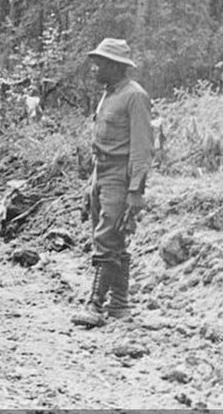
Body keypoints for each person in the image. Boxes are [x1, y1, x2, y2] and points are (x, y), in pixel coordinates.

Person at [72, 38, 154, 328]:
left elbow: (142, 149)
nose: (95, 68)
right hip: (102, 175)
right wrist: (91, 184)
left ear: (116, 67)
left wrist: (135, 190)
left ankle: (95, 305)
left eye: (101, 63)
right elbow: (101, 145)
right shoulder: (108, 95)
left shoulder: (135, 96)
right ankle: (119, 305)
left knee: (107, 239)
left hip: (121, 178)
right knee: (112, 238)